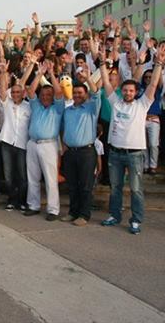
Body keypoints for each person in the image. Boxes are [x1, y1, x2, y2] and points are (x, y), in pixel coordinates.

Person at [101, 45, 165, 235]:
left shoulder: (142, 104)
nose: (128, 93)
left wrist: (158, 64)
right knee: (115, 188)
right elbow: (106, 82)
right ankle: (114, 215)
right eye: (125, 90)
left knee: (136, 189)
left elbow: (152, 85)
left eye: (131, 91)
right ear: (121, 91)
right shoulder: (115, 103)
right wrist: (102, 63)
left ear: (136, 92)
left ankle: (136, 220)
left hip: (135, 155)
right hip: (115, 153)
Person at [23, 60, 64, 221]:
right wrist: (39, 74)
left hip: (48, 145)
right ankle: (33, 205)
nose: (45, 97)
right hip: (33, 143)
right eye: (43, 95)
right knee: (32, 177)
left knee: (50, 178)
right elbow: (30, 91)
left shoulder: (57, 108)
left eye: (48, 95)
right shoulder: (36, 105)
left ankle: (53, 209)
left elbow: (59, 92)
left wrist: (51, 73)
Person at [60, 70, 101, 226]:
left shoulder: (91, 108)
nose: (77, 95)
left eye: (80, 93)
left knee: (85, 186)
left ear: (85, 94)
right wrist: (64, 144)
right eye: (75, 92)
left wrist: (88, 78)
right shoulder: (67, 111)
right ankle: (73, 212)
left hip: (86, 152)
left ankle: (84, 215)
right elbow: (63, 129)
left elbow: (96, 93)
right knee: (72, 185)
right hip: (70, 152)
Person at [0, 61, 31, 211]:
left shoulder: (29, 107)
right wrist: (4, 72)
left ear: (23, 94)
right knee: (8, 174)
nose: (15, 94)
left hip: (22, 144)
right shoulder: (7, 103)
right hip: (7, 142)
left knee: (22, 175)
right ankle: (11, 200)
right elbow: (3, 90)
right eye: (14, 92)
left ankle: (22, 201)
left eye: (18, 92)